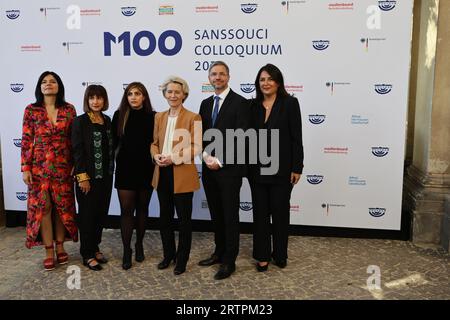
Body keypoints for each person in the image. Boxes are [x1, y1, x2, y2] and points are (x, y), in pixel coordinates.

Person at [21, 71, 78, 271]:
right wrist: (25, 168)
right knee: (44, 208)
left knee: (61, 209)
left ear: (59, 86)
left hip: (63, 167)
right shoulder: (32, 110)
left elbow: (74, 140)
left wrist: (75, 165)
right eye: (44, 82)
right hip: (39, 169)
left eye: (52, 81)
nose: (48, 84)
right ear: (39, 87)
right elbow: (27, 141)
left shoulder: (69, 110)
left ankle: (61, 247)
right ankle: (48, 250)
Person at [249, 63, 303, 272]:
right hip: (257, 170)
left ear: (278, 82)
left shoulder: (290, 103)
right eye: (262, 79)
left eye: (270, 79)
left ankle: (280, 254)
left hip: (282, 170)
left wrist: (297, 167)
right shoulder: (252, 106)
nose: (266, 83)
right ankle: (262, 256)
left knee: (280, 214)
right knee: (260, 215)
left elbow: (296, 137)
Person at [198, 61, 249, 280]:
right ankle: (219, 253)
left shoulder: (240, 103)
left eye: (221, 74)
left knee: (229, 215)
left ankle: (230, 260)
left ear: (228, 77)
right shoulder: (205, 103)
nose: (217, 78)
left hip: (229, 169)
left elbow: (243, 138)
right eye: (213, 74)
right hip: (209, 169)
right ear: (209, 78)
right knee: (216, 214)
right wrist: (205, 157)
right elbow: (201, 136)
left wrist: (221, 160)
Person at [151, 76, 202, 275]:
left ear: (184, 95)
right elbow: (153, 143)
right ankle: (168, 255)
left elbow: (197, 147)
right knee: (165, 219)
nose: (173, 95)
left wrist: (173, 158)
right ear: (165, 94)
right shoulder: (158, 117)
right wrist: (156, 156)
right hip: (161, 173)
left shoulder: (194, 117)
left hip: (182, 174)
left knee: (183, 221)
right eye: (169, 92)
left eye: (177, 92)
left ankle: (182, 259)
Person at [112, 82, 155, 270]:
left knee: (143, 209)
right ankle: (126, 250)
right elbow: (112, 144)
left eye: (137, 93)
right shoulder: (118, 115)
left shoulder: (154, 117)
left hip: (147, 169)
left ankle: (139, 245)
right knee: (127, 211)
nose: (134, 97)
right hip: (125, 169)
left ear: (144, 96)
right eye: (130, 94)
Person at [71, 85, 113, 271]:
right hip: (87, 178)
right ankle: (86, 254)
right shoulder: (79, 122)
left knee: (100, 214)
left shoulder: (108, 120)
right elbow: (77, 151)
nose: (96, 101)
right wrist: (82, 177)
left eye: (99, 98)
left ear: (104, 100)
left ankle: (95, 247)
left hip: (105, 176)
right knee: (87, 215)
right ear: (87, 101)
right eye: (92, 98)